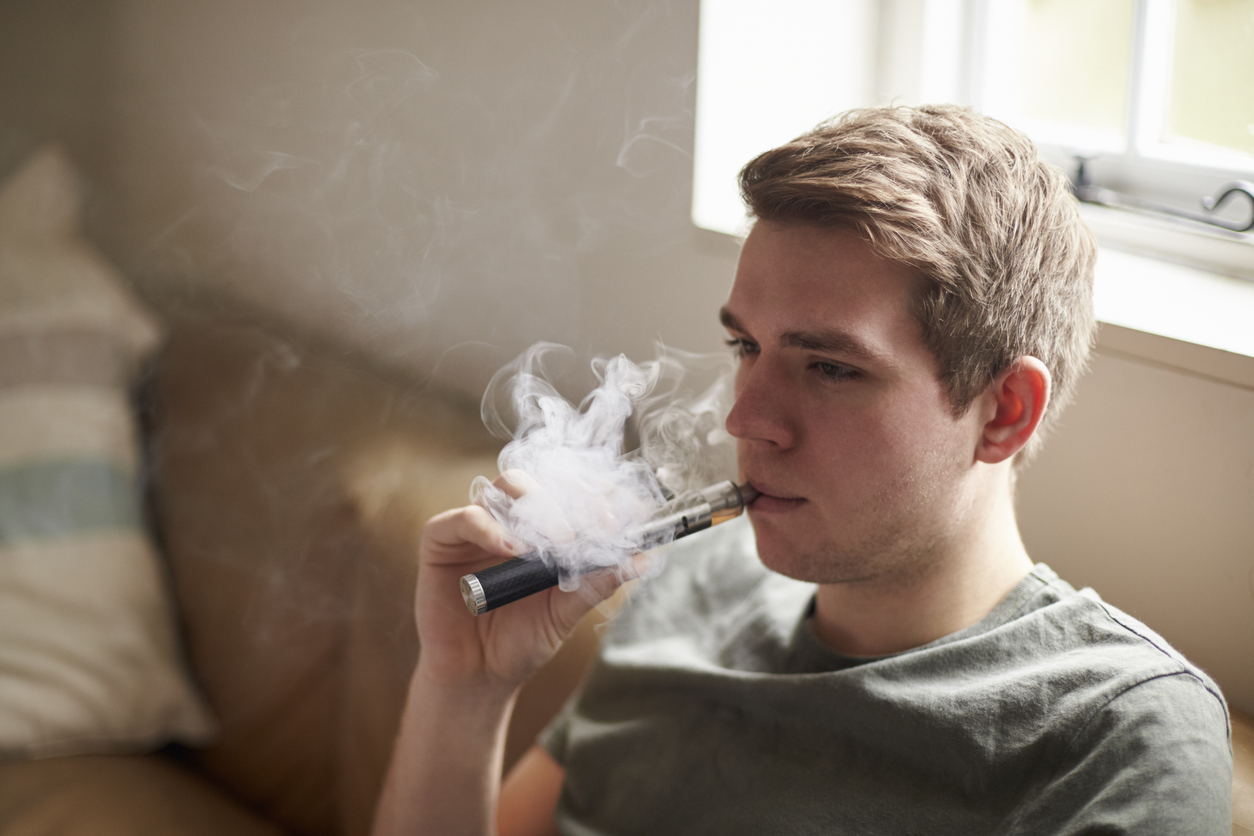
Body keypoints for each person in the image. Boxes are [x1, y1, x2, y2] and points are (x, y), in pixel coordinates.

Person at [370, 105, 1233, 836]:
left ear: (1003, 411)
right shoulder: (689, 592)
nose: (745, 419)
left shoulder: (1119, 738)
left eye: (830, 368)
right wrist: (465, 688)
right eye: (747, 347)